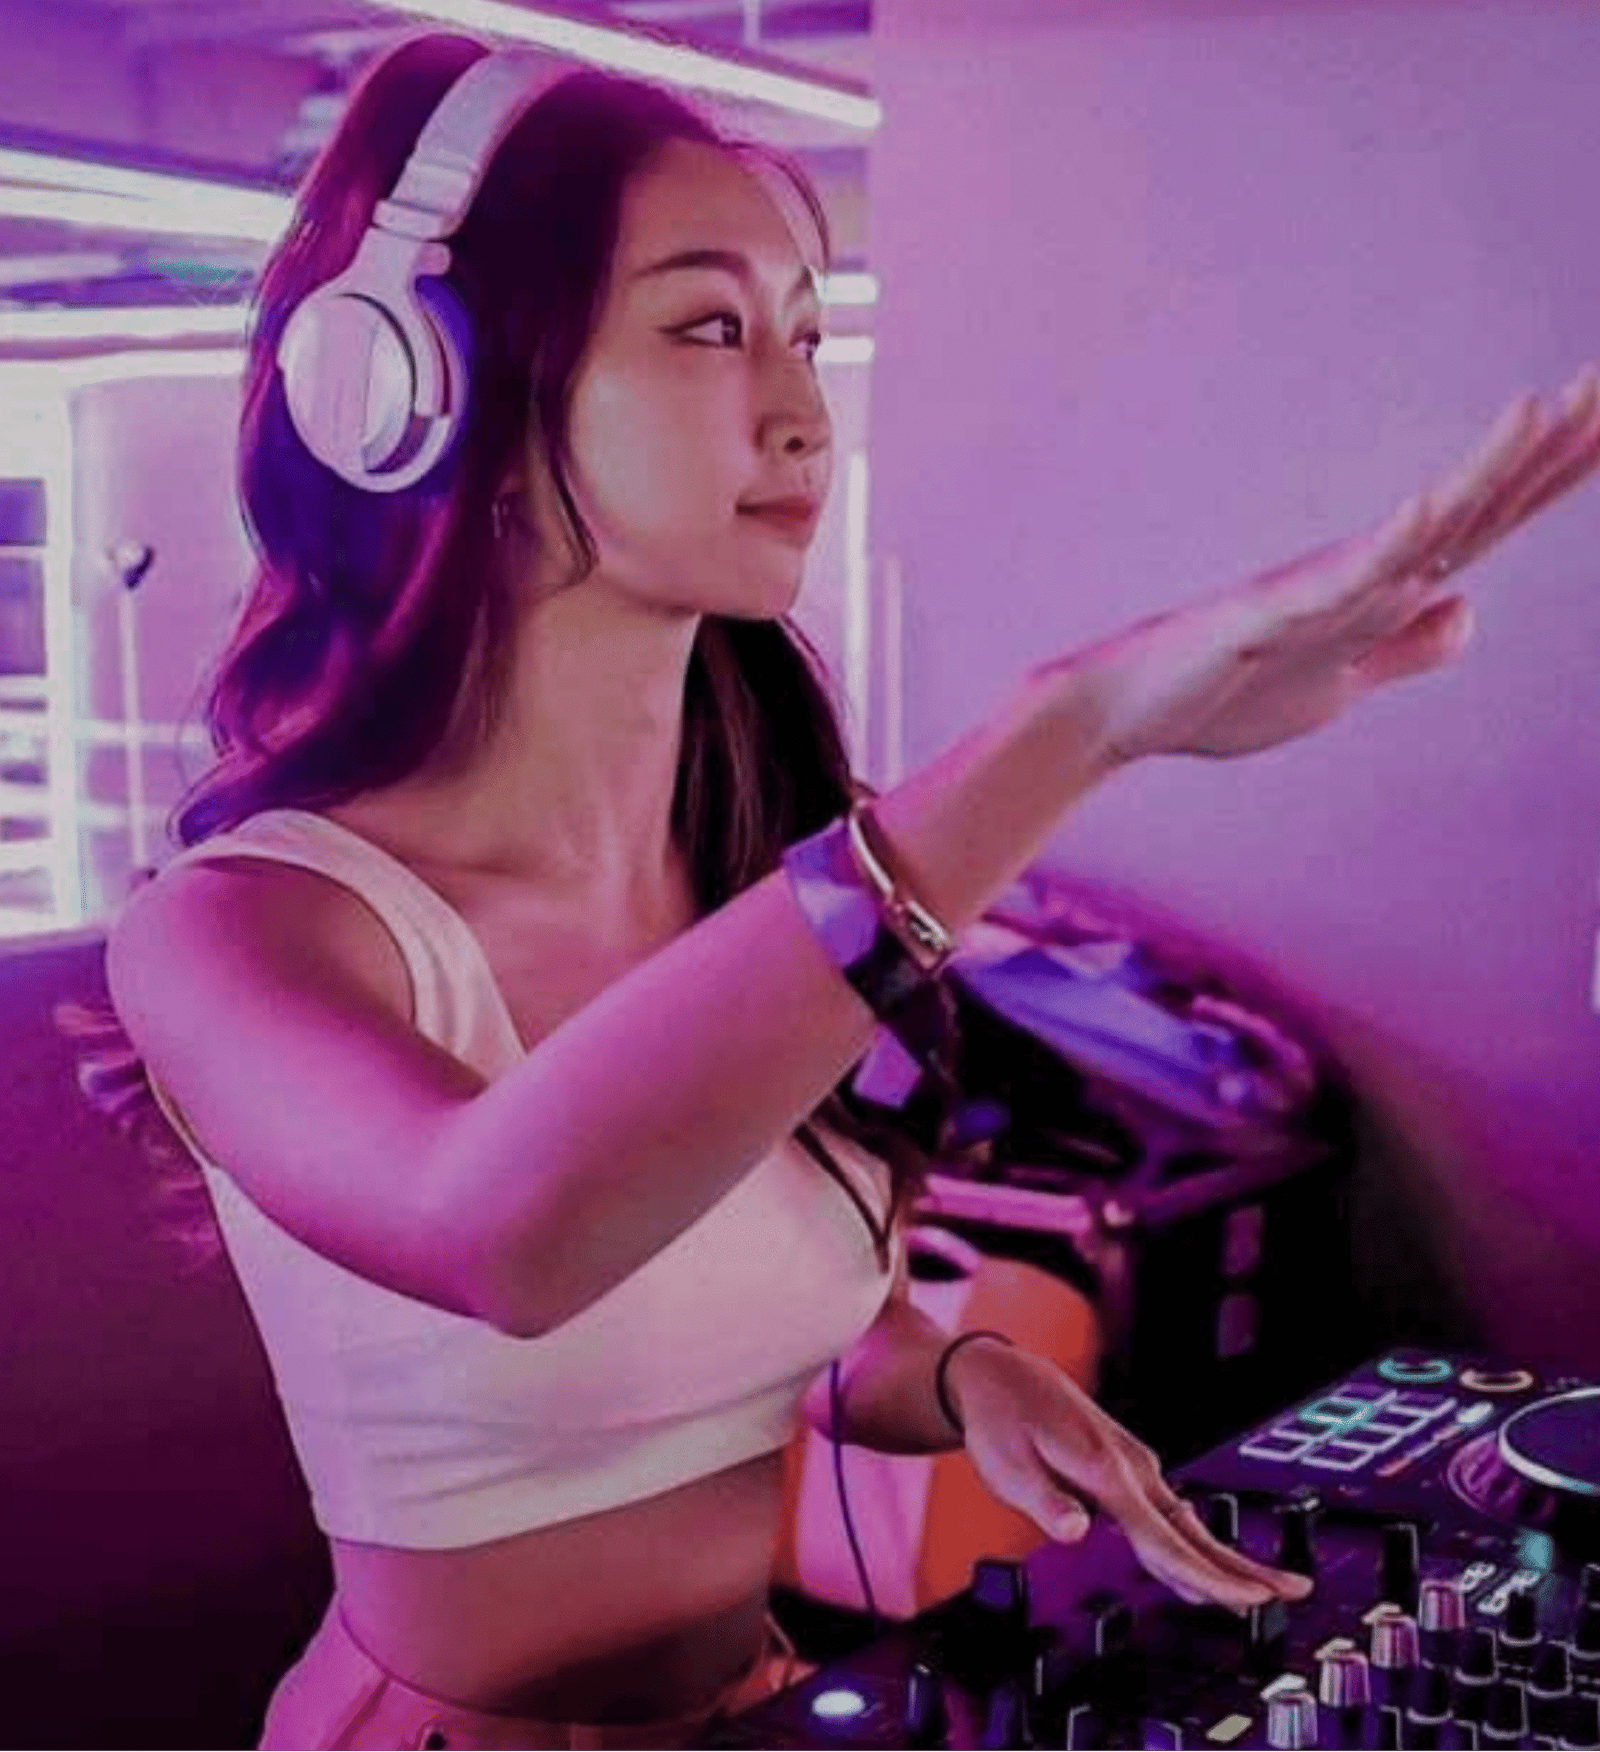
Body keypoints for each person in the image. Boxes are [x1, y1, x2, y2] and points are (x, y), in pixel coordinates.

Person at [96, 27, 1600, 1752]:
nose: (803, 413)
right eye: (708, 327)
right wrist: (1075, 727)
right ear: (430, 395)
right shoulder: (235, 927)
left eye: (808, 334)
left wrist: (952, 1370)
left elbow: (747, 1301)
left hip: (757, 1703)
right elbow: (512, 1236)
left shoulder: (755, 877)